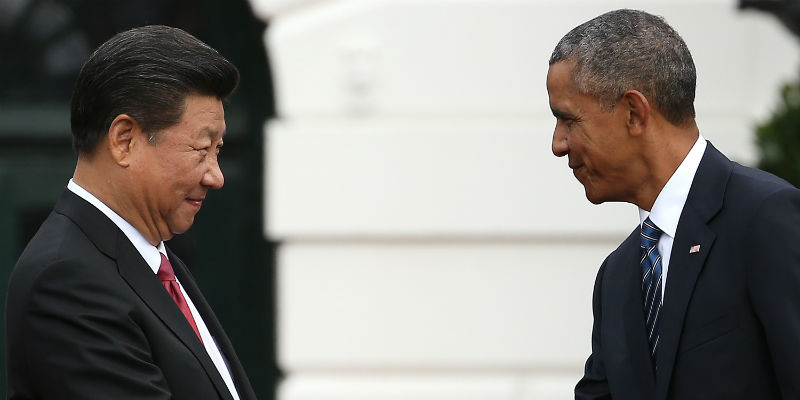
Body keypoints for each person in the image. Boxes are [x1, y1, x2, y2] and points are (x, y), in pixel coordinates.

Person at [547, 9, 800, 399]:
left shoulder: (764, 218)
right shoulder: (616, 277)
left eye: (568, 120)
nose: (558, 144)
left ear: (634, 113)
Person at [6, 25, 257, 400]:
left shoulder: (151, 264)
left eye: (218, 150)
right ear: (125, 140)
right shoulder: (68, 281)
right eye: (201, 149)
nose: (215, 176)